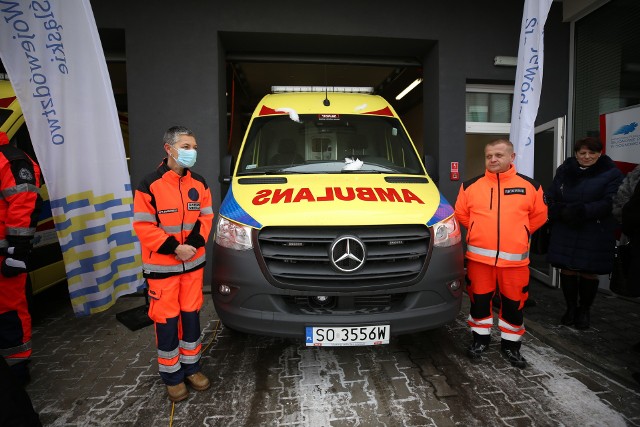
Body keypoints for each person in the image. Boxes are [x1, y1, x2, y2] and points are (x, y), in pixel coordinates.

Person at [133, 126, 214, 402]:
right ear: (169, 149)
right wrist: (173, 248)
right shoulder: (149, 185)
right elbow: (143, 225)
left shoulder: (200, 184)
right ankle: (172, 376)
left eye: (194, 146)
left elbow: (206, 218)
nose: (192, 152)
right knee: (166, 322)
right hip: (162, 270)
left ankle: (192, 368)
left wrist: (192, 244)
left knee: (191, 318)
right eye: (186, 146)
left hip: (192, 266)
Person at [454, 138, 547, 369]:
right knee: (479, 303)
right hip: (479, 261)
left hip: (515, 263)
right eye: (489, 156)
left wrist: (519, 233)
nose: (493, 160)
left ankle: (511, 346)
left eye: (499, 155)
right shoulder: (470, 186)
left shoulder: (531, 186)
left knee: (514, 305)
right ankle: (480, 340)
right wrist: (478, 232)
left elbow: (539, 217)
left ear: (511, 157)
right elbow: (462, 215)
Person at [546, 137, 623, 330]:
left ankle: (584, 310)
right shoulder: (564, 171)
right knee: (567, 268)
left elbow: (610, 202)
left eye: (592, 153)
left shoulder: (612, 174)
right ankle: (570, 308)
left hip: (594, 230)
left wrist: (581, 211)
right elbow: (551, 196)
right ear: (576, 154)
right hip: (566, 228)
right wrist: (560, 211)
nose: (587, 156)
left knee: (589, 271)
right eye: (582, 153)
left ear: (600, 153)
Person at [0, 131, 41, 386]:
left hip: (4, 255)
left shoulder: (11, 159)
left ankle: (16, 368)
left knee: (9, 312)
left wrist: (16, 250)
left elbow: (24, 203)